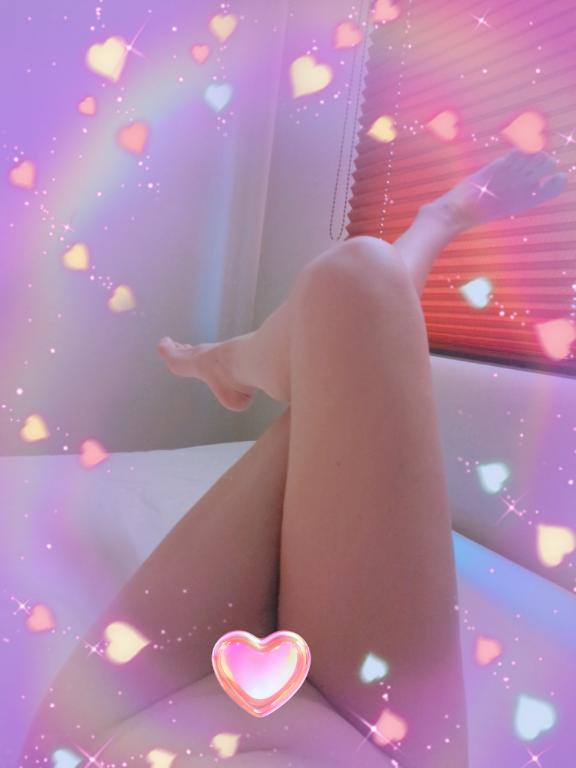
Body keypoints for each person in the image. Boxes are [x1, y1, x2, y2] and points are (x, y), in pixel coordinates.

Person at [19, 150, 567, 768]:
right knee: (355, 285)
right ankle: (426, 229)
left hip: (88, 738)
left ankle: (230, 360)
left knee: (354, 289)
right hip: (374, 738)